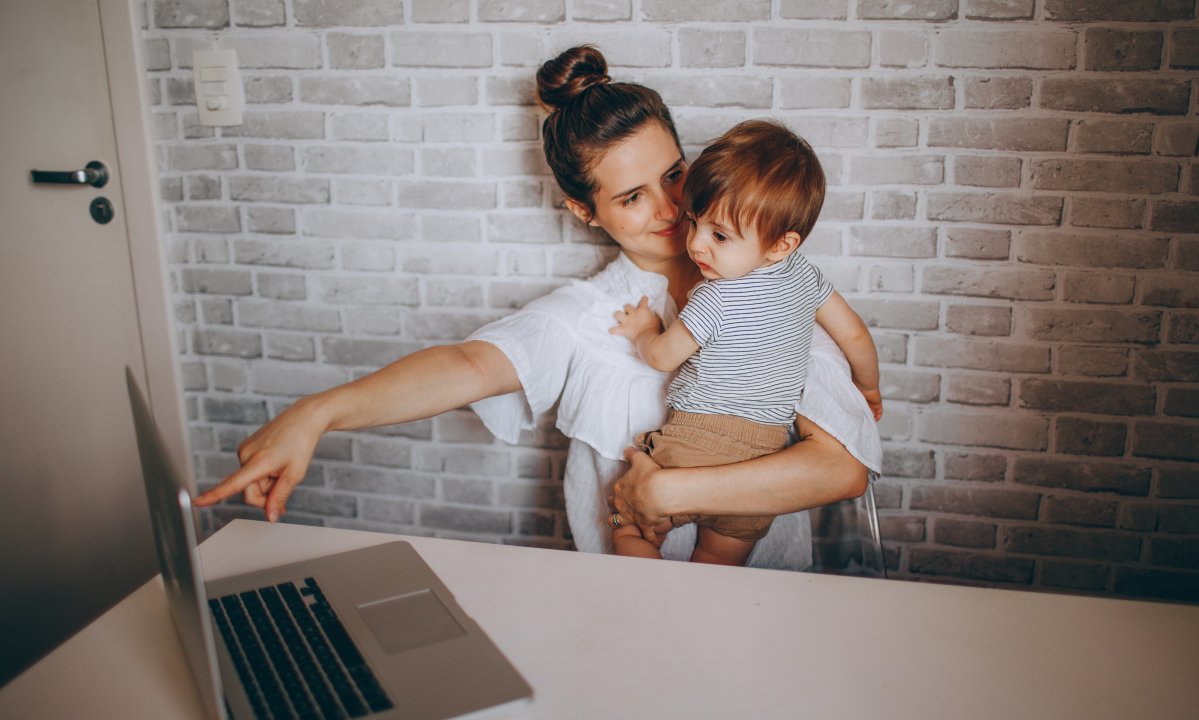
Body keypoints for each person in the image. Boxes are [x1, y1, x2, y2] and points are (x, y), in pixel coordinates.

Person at [193, 45, 882, 570]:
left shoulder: (773, 284)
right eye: (632, 196)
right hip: (623, 624)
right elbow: (465, 365)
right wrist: (318, 413)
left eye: (674, 175)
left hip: (764, 618)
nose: (672, 209)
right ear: (586, 211)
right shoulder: (586, 317)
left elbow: (841, 468)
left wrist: (666, 496)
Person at [609, 119, 882, 565]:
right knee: (718, 569)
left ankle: (643, 592)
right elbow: (854, 334)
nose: (696, 244)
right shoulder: (806, 277)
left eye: (719, 235)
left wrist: (643, 330)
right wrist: (868, 389)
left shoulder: (714, 298)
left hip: (691, 446)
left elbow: (661, 357)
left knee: (628, 523)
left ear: (781, 244)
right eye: (694, 221)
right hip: (761, 463)